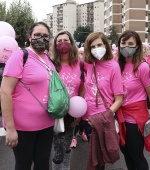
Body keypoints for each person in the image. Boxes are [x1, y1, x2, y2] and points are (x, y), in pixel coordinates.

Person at [1, 22, 55, 170]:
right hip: (22, 128)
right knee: (23, 165)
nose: (41, 38)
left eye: (45, 36)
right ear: (29, 37)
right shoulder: (20, 56)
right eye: (37, 35)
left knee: (43, 164)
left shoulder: (48, 60)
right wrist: (11, 129)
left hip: (47, 125)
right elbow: (5, 91)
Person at [117, 30, 150, 170]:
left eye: (130, 43)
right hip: (119, 118)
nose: (126, 46)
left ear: (137, 46)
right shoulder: (117, 66)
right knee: (126, 153)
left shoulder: (142, 67)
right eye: (123, 43)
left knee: (136, 155)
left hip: (135, 119)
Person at [82, 32, 123, 170]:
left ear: (105, 44)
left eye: (99, 45)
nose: (96, 48)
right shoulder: (88, 64)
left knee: (100, 159)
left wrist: (106, 114)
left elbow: (119, 99)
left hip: (103, 119)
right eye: (92, 46)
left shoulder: (114, 66)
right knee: (93, 155)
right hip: (87, 119)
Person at [52, 30, 85, 170]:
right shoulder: (51, 64)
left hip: (72, 113)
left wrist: (79, 113)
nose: (62, 43)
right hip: (54, 112)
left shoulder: (80, 64)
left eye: (65, 40)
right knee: (58, 151)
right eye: (59, 41)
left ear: (71, 43)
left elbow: (82, 88)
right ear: (55, 45)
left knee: (66, 148)